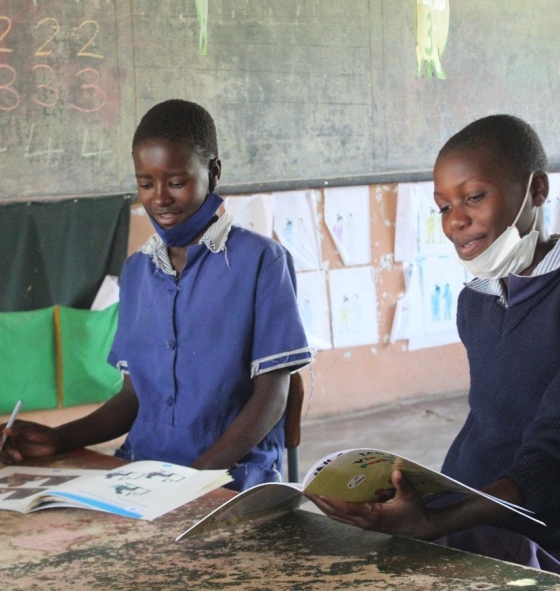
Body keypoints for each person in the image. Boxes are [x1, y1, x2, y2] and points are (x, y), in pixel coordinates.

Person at [0, 99, 313, 492]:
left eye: (177, 182)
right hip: (142, 473)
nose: (159, 198)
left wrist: (191, 482)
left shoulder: (261, 262)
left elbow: (272, 397)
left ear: (213, 172)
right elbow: (133, 398)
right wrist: (58, 438)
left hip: (228, 479)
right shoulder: (137, 272)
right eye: (146, 184)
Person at [309, 114, 560, 572]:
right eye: (443, 207)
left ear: (537, 190)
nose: (455, 222)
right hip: (469, 508)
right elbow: (490, 422)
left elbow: (548, 460)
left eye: (474, 198)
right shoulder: (477, 300)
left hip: (536, 533)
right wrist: (414, 493)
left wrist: (434, 521)